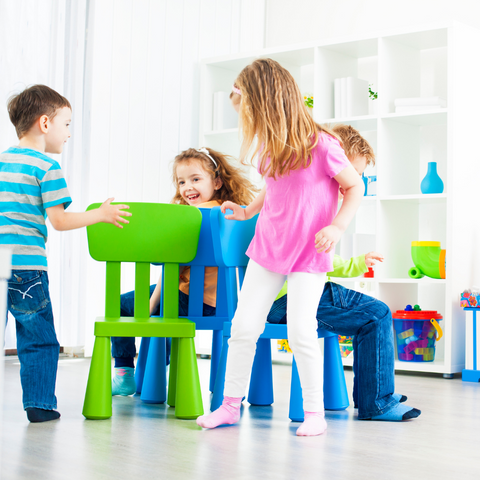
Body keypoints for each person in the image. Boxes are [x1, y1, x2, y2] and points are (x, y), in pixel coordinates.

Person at [196, 58, 364, 436]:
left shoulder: (323, 146)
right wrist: (246, 210)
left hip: (309, 252)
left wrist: (337, 227)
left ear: (267, 104)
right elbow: (273, 190)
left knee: (300, 330)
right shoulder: (272, 149)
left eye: (248, 112)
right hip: (269, 247)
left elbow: (354, 187)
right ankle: (228, 406)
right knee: (242, 327)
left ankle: (315, 414)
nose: (247, 123)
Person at [1, 84, 131, 422]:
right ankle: (40, 406)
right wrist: (100, 214)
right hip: (27, 267)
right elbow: (58, 221)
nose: (69, 133)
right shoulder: (46, 168)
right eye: (67, 124)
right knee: (38, 339)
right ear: (45, 124)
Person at [110, 147, 258, 395]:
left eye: (196, 179)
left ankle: (124, 371)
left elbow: (170, 267)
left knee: (120, 304)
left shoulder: (190, 217)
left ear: (217, 181)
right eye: (181, 181)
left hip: (186, 299)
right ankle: (160, 359)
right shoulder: (230, 214)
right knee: (160, 302)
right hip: (220, 304)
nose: (187, 187)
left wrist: (152, 303)